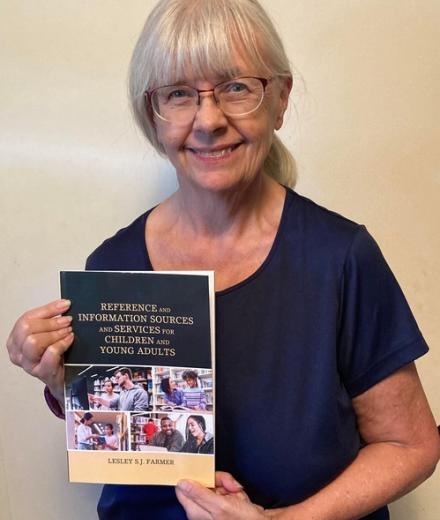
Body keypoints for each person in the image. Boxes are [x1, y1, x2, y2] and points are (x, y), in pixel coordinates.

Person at [6, 0, 439, 518]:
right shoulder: (111, 266)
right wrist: (59, 377)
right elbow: (128, 431)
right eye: (180, 94)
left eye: (236, 87)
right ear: (153, 114)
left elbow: (410, 445)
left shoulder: (340, 258)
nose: (209, 120)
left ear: (279, 100)